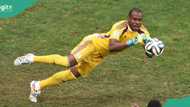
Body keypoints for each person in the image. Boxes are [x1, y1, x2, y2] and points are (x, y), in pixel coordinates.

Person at [14, 8, 151, 103]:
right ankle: (32, 57)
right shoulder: (120, 26)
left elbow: (149, 49)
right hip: (93, 44)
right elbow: (112, 46)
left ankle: (37, 86)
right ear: (129, 18)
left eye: (139, 20)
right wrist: (132, 42)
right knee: (67, 62)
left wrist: (153, 47)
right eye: (134, 19)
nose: (137, 22)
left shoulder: (143, 31)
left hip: (100, 55)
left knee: (72, 74)